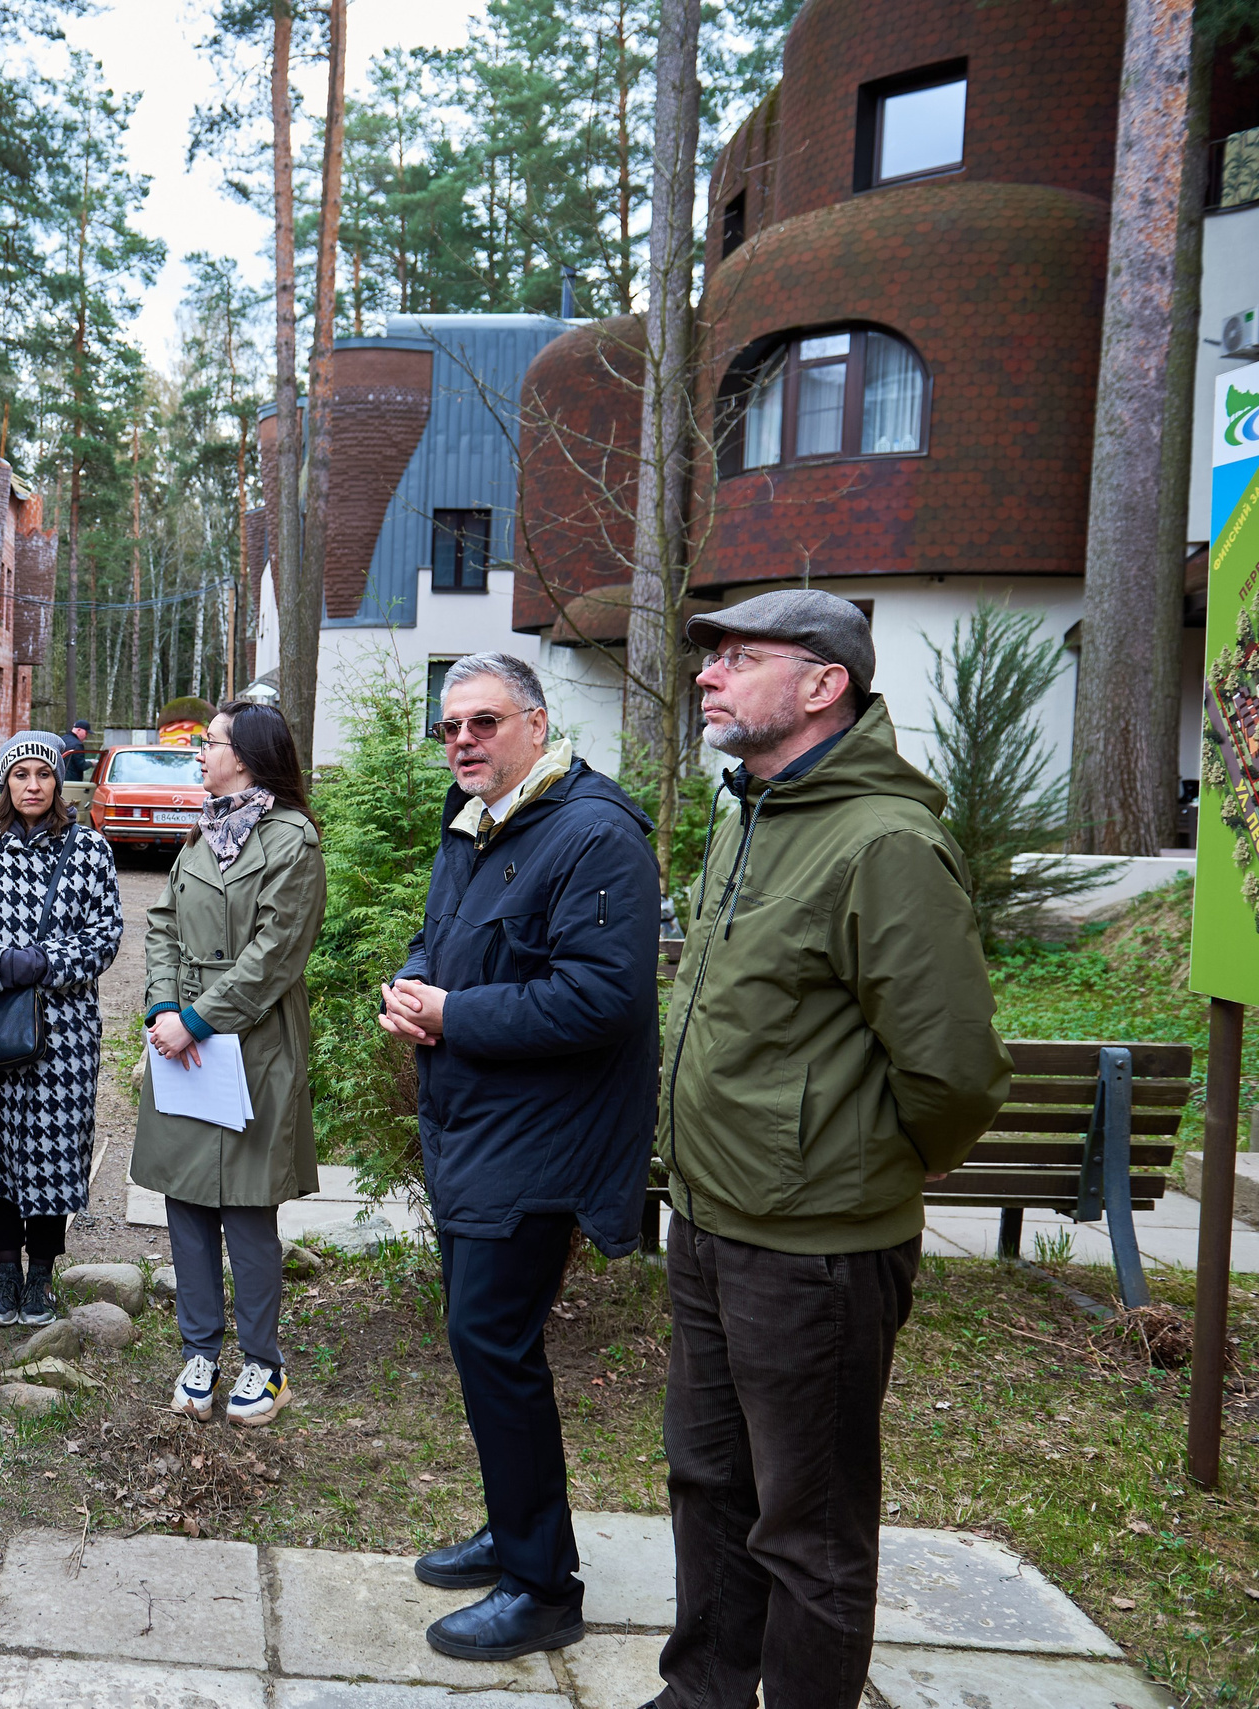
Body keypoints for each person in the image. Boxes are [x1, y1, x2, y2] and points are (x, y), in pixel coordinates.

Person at [649, 590, 1010, 1709]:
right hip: (708, 1219)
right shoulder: (750, 812)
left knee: (807, 1526)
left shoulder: (884, 842)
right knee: (707, 1481)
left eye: (738, 657)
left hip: (816, 1250)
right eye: (710, 658)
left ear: (823, 684)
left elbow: (953, 1073)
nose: (706, 675)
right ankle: (703, 1693)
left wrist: (856, 1167)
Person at [376, 653, 659, 1664]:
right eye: (450, 725)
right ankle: (516, 1529)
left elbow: (601, 998)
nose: (462, 739)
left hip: (542, 1138)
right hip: (474, 1125)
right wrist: (412, 989)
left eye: (484, 721)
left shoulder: (594, 834)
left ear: (537, 724)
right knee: (489, 1344)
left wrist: (453, 1013)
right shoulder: (477, 819)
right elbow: (436, 937)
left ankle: (543, 1587)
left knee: (490, 1339)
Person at [132, 701, 326, 1428]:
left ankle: (264, 1365)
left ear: (243, 754)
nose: (199, 753)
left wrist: (195, 1021)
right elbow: (162, 924)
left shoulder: (292, 839)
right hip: (182, 1038)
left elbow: (275, 955)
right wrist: (162, 1007)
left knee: (247, 1208)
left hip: (253, 1041)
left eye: (208, 743)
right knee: (185, 1202)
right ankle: (199, 1353)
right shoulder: (204, 829)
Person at [0, 731, 124, 1327]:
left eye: (43, 775)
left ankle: (41, 1274)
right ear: (5, 781)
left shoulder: (89, 849)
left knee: (53, 1150)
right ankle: (6, 1273)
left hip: (64, 1031)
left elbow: (105, 934)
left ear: (57, 783)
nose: (32, 785)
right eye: (21, 774)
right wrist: (2, 964)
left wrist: (45, 964)